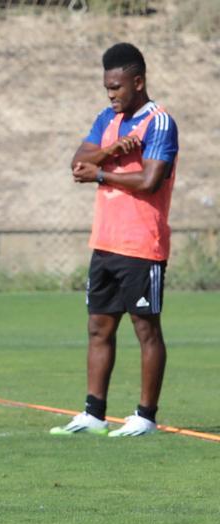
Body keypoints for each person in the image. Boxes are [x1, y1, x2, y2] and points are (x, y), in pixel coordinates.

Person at [54, 42, 178, 438]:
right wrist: (110, 151)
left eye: (117, 87)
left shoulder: (159, 123)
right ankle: (94, 413)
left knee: (146, 328)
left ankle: (145, 415)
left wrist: (102, 173)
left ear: (137, 82)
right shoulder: (107, 119)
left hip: (142, 243)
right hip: (105, 243)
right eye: (107, 88)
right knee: (98, 327)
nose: (111, 95)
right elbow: (79, 164)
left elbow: (149, 180)